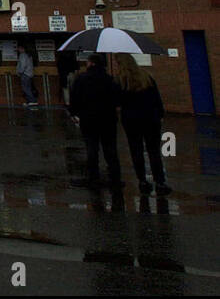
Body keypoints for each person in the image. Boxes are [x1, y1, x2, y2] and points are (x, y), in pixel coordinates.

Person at [114, 54, 172, 195]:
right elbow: (156, 98)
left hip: (131, 120)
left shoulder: (120, 81)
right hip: (150, 118)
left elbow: (117, 102)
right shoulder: (147, 77)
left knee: (136, 150)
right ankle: (160, 182)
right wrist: (160, 115)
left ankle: (142, 181)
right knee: (154, 151)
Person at [68, 53, 122, 188]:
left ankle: (93, 178)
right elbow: (117, 100)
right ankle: (116, 178)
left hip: (88, 119)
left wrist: (74, 113)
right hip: (108, 119)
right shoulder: (109, 79)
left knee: (92, 149)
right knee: (110, 150)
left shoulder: (81, 79)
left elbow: (74, 99)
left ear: (91, 63)